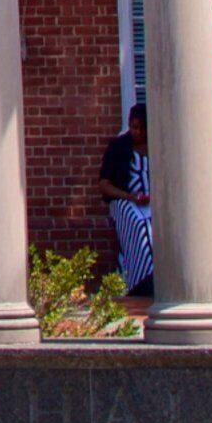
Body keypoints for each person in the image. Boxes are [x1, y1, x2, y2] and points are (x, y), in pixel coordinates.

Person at [97, 102, 154, 298]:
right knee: (141, 225)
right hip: (125, 201)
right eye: (133, 127)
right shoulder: (118, 147)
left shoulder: (158, 146)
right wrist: (130, 196)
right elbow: (104, 184)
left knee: (158, 225)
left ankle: (156, 277)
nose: (136, 132)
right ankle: (141, 281)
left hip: (153, 202)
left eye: (141, 128)